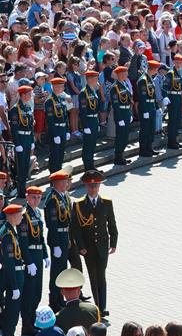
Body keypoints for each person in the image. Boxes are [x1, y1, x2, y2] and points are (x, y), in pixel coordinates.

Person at [70, 169, 117, 316]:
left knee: (101, 276)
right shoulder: (79, 205)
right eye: (91, 186)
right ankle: (98, 307)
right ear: (86, 186)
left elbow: (112, 224)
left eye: (96, 186)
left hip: (102, 246)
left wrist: (114, 243)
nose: (93, 189)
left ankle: (103, 306)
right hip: (88, 248)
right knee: (93, 277)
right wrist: (81, 246)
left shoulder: (106, 203)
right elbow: (76, 228)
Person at [0, 204, 29, 336]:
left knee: (9, 316)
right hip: (12, 279)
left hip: (14, 276)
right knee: (11, 316)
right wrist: (14, 287)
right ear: (12, 216)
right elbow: (9, 263)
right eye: (20, 214)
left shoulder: (10, 231)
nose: (22, 217)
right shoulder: (8, 235)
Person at [18, 185, 48, 335]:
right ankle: (26, 325)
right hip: (30, 255)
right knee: (29, 293)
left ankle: (32, 321)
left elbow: (40, 237)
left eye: (39, 198)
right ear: (27, 198)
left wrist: (45, 254)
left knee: (37, 292)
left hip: (38, 255)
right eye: (33, 197)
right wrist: (28, 262)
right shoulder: (25, 216)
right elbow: (23, 242)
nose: (36, 200)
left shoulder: (37, 213)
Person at [45, 169, 73, 310]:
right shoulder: (52, 200)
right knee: (57, 271)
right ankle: (54, 300)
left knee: (62, 269)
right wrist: (55, 245)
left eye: (66, 181)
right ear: (56, 183)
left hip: (64, 236)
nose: (66, 184)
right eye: (63, 182)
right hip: (57, 238)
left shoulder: (63, 196)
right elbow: (52, 224)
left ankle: (60, 298)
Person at [8, 84, 34, 194]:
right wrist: (17, 143)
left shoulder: (28, 107)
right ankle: (21, 191)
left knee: (26, 163)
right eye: (29, 94)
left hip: (27, 137)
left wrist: (32, 141)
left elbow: (31, 126)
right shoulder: (15, 109)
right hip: (21, 138)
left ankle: (23, 187)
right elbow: (14, 128)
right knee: (21, 165)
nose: (31, 96)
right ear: (23, 95)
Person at [110, 65, 133, 165]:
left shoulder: (124, 84)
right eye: (124, 73)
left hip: (126, 112)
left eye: (126, 73)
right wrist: (119, 118)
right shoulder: (115, 87)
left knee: (125, 136)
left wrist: (130, 113)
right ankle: (118, 158)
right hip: (120, 113)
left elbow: (128, 100)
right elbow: (115, 104)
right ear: (119, 74)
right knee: (120, 137)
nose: (126, 75)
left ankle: (122, 156)